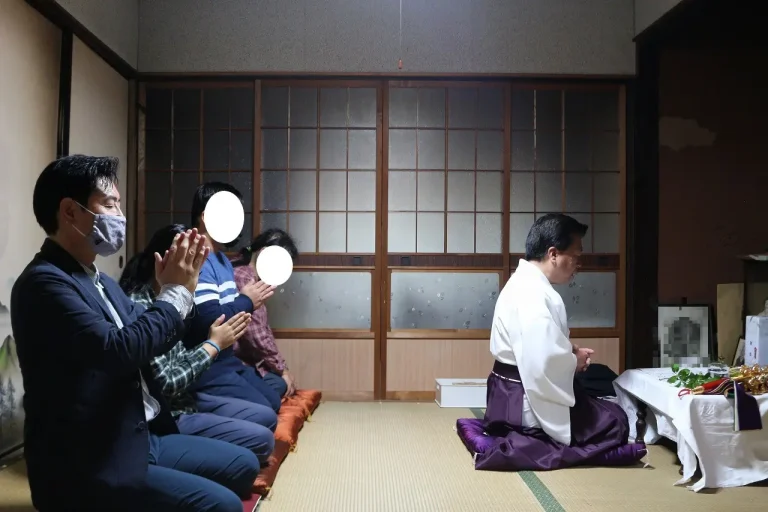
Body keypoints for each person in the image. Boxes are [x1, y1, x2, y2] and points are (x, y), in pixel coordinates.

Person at [11, 155, 259, 512]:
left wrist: (179, 292)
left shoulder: (101, 282)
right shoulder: (44, 283)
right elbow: (119, 350)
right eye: (109, 204)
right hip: (90, 460)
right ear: (69, 211)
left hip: (139, 434)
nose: (119, 215)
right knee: (225, 506)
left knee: (244, 466)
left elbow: (155, 340)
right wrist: (173, 295)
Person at [475, 213, 643, 471]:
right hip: (522, 401)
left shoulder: (523, 282)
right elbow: (542, 362)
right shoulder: (533, 293)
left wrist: (569, 350)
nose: (578, 264)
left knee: (602, 403)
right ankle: (529, 440)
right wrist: (574, 361)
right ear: (553, 254)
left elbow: (536, 345)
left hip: (505, 393)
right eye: (576, 256)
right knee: (616, 422)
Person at [120, 224, 278, 462]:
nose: (197, 275)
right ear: (162, 263)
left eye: (199, 266)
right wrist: (213, 345)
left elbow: (182, 357)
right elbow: (167, 382)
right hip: (169, 412)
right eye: (192, 265)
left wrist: (214, 342)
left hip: (190, 396)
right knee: (260, 441)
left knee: (266, 416)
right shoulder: (142, 306)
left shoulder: (178, 299)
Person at [184, 182, 282, 412]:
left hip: (228, 359)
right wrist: (247, 301)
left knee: (273, 399)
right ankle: (193, 403)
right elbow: (210, 320)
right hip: (206, 363)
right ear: (205, 217)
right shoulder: (197, 258)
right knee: (265, 411)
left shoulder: (223, 261)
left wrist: (249, 302)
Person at [232, 228, 299, 398]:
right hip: (234, 363)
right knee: (278, 385)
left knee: (278, 382)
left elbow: (263, 331)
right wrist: (283, 370)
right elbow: (256, 335)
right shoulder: (244, 278)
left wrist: (281, 368)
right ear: (263, 253)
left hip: (246, 362)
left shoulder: (250, 276)